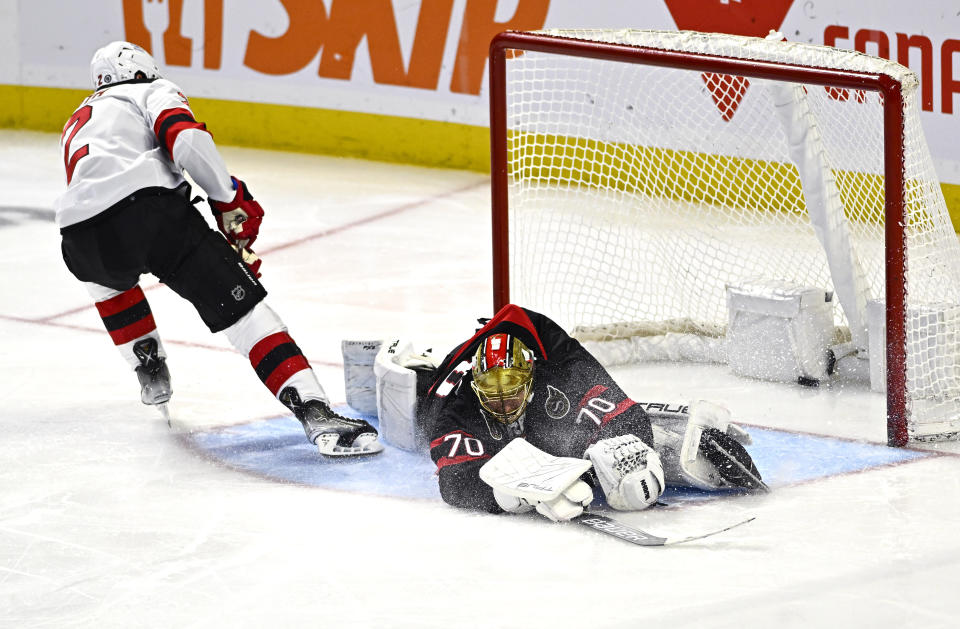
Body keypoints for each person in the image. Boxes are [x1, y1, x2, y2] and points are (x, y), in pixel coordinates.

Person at [55, 41, 381, 457]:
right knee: (247, 316)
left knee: (107, 282)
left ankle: (147, 363)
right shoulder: (150, 89)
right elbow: (185, 139)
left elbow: (99, 200)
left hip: (77, 237)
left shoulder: (78, 118)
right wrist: (226, 199)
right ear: (142, 69)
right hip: (151, 214)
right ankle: (315, 410)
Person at [421, 304, 764, 521]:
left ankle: (653, 444)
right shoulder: (456, 402)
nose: (504, 406)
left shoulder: (561, 367)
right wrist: (510, 493)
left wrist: (623, 449)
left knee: (572, 432)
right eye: (493, 398)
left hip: (546, 376)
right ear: (476, 387)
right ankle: (417, 367)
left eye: (512, 395)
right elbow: (454, 481)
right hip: (436, 388)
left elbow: (625, 413)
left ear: (533, 377)